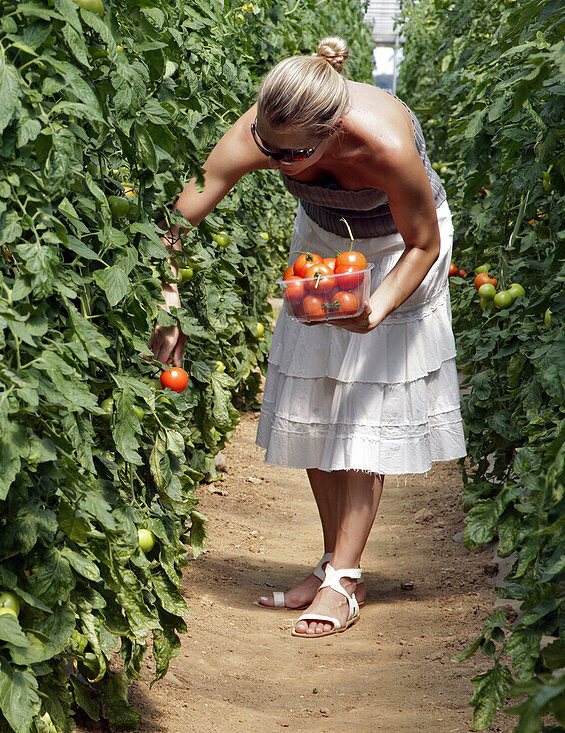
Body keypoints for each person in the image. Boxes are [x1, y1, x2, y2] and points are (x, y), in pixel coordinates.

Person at [148, 37, 466, 638]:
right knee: (315, 402)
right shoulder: (263, 132)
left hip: (402, 251)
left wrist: (373, 311)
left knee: (366, 405)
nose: (268, 157)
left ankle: (344, 580)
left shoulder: (386, 145)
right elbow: (172, 224)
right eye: (265, 144)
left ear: (332, 131)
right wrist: (168, 304)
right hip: (325, 240)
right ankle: (330, 563)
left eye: (287, 154)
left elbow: (425, 243)